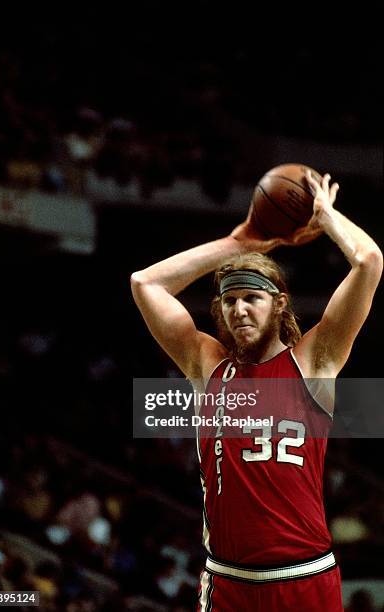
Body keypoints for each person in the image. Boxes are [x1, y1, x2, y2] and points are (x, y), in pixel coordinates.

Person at [130, 171, 382, 612]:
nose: (239, 310)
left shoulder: (313, 362)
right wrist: (241, 243)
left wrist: (327, 217)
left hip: (305, 576)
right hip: (230, 581)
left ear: (279, 303)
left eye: (251, 298)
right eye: (229, 302)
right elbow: (144, 283)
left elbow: (369, 261)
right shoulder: (207, 366)